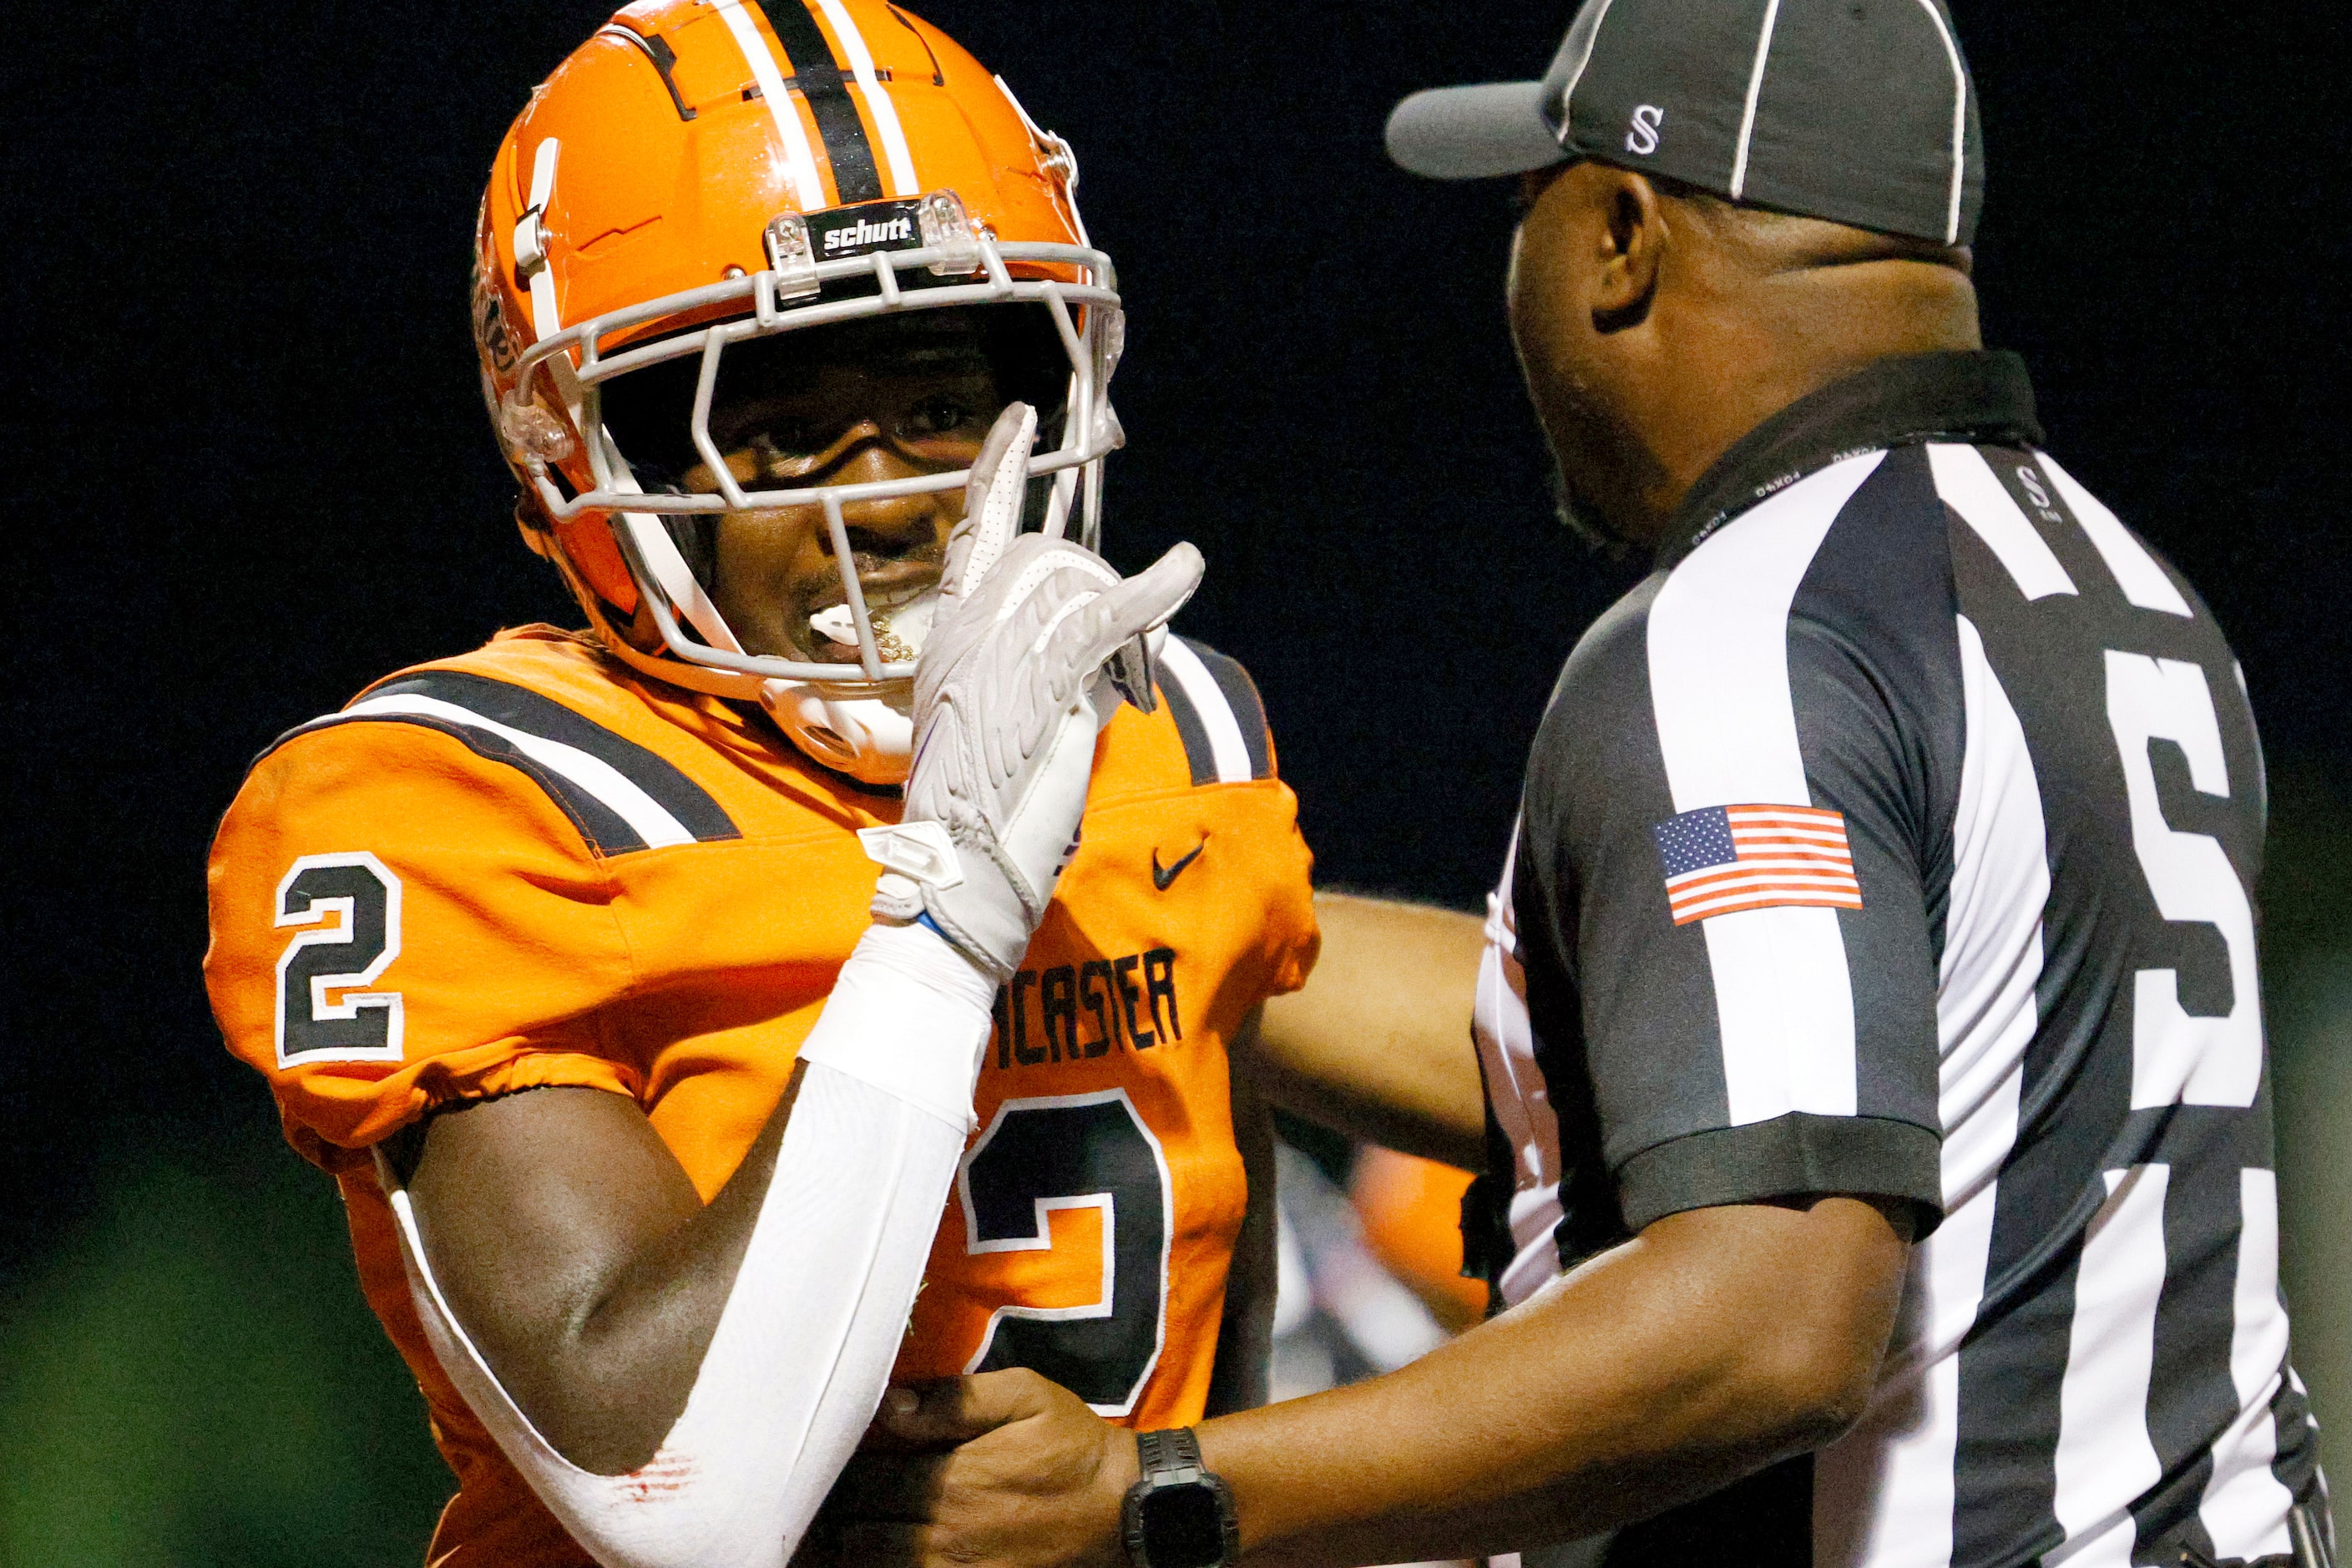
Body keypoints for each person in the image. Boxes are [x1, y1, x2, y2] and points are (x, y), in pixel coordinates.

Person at [820, 4, 2337, 1568]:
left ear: (1619, 235)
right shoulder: (2105, 584)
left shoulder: (1751, 630)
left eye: (1528, 210)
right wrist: (1105, 917)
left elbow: (1772, 1314)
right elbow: (1636, 1058)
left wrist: (1151, 1494)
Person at [200, 4, 1351, 1563]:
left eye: (944, 404)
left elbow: (1219, 1349)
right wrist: (943, 915)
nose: (888, 498)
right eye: (786, 430)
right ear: (594, 463)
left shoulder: (1174, 730)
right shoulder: (466, 803)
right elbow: (681, 1496)